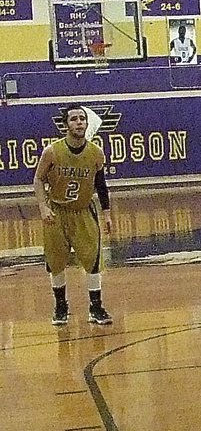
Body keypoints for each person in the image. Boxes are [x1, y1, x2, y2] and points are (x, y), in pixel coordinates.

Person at [33, 103, 114, 326]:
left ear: (87, 124)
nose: (79, 122)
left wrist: (107, 214)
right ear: (66, 125)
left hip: (83, 211)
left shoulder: (96, 153)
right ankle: (60, 307)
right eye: (74, 119)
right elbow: (38, 179)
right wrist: (43, 207)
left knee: (93, 259)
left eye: (82, 118)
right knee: (56, 261)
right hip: (57, 211)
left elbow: (101, 185)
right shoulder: (52, 151)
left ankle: (95, 308)